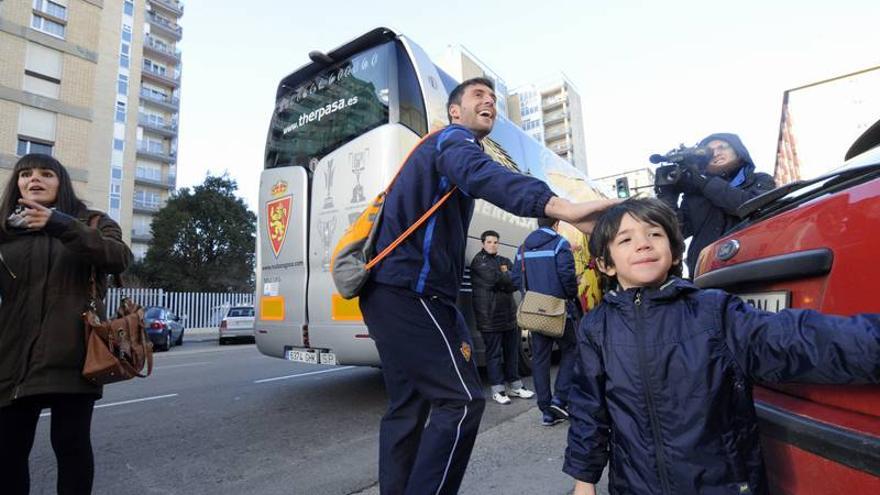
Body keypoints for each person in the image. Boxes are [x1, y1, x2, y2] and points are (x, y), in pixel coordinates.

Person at [358, 76, 616, 495]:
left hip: (393, 291)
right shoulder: (451, 140)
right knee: (461, 401)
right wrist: (561, 206)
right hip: (411, 291)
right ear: (454, 111)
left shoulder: (447, 149)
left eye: (494, 99)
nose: (490, 103)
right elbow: (482, 174)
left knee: (407, 407)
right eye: (479, 96)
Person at [563, 198, 880, 495]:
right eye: (626, 239)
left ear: (675, 253)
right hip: (635, 485)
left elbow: (796, 339)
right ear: (605, 264)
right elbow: (589, 409)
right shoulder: (597, 327)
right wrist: (584, 480)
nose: (643, 243)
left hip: (722, 484)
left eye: (654, 234)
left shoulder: (712, 311)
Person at [0, 154, 132, 495]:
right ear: (17, 183)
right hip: (11, 360)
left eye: (46, 174)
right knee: (8, 455)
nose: (34, 179)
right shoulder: (4, 230)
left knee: (71, 447)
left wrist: (60, 223)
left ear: (62, 182)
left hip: (73, 357)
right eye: (26, 174)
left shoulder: (93, 221)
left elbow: (119, 258)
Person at [655, 133, 776, 277]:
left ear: (738, 151)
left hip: (752, 266)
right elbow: (678, 232)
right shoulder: (695, 194)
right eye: (709, 152)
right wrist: (668, 198)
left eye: (722, 147)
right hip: (706, 274)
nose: (715, 154)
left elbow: (751, 206)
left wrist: (704, 181)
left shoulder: (760, 180)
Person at [511, 218, 579, 427]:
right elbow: (567, 277)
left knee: (540, 359)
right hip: (558, 311)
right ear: (556, 223)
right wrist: (570, 295)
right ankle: (560, 399)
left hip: (535, 312)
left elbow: (515, 279)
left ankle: (546, 410)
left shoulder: (522, 248)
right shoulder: (560, 243)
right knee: (573, 348)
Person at [469, 230, 534, 405]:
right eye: (489, 242)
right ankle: (498, 390)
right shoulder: (478, 262)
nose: (493, 245)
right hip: (489, 317)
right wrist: (506, 276)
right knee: (494, 355)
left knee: (512, 352)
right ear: (483, 243)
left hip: (508, 316)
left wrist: (506, 277)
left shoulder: (502, 261)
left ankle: (515, 386)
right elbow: (499, 280)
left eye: (495, 242)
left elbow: (515, 280)